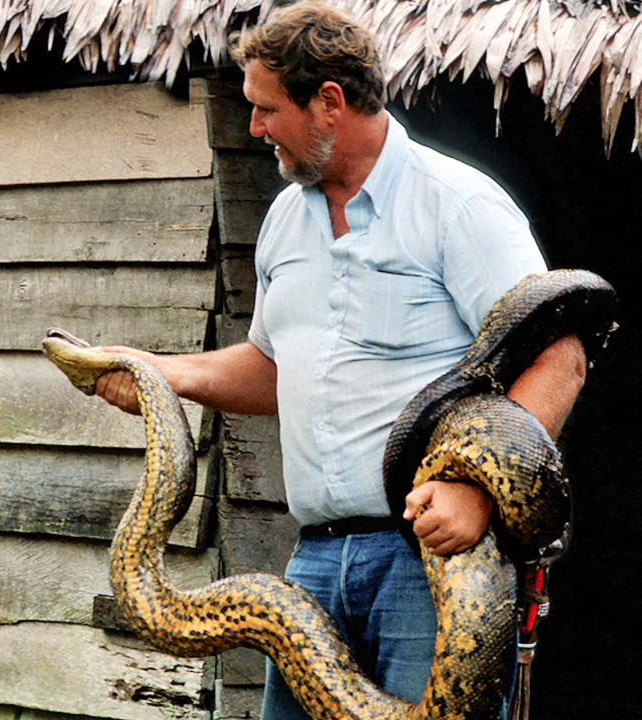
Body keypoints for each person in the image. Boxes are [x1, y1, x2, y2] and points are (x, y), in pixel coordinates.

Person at [91, 3, 586, 719]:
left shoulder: (459, 206)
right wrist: (159, 373)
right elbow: (273, 369)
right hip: (314, 565)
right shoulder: (286, 220)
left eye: (265, 109)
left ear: (329, 103)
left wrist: (479, 493)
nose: (255, 127)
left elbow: (559, 356)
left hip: (429, 561)